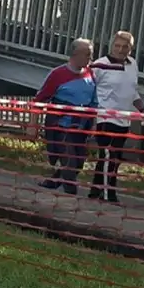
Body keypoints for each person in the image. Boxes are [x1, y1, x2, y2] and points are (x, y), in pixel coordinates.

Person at [89, 30, 144, 203]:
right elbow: (88, 86)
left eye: (125, 47)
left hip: (124, 118)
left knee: (111, 157)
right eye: (117, 46)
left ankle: (95, 190)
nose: (120, 50)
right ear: (111, 46)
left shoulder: (133, 64)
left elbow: (132, 91)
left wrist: (142, 109)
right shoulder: (100, 64)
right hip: (105, 117)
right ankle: (109, 194)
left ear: (131, 49)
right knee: (110, 155)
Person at [34, 38, 99, 196]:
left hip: (82, 127)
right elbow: (39, 100)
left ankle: (53, 181)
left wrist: (94, 126)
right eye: (88, 54)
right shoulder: (58, 74)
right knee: (69, 163)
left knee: (78, 162)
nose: (91, 58)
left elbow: (94, 103)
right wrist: (32, 125)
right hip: (61, 126)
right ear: (75, 54)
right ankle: (71, 196)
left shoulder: (91, 74)